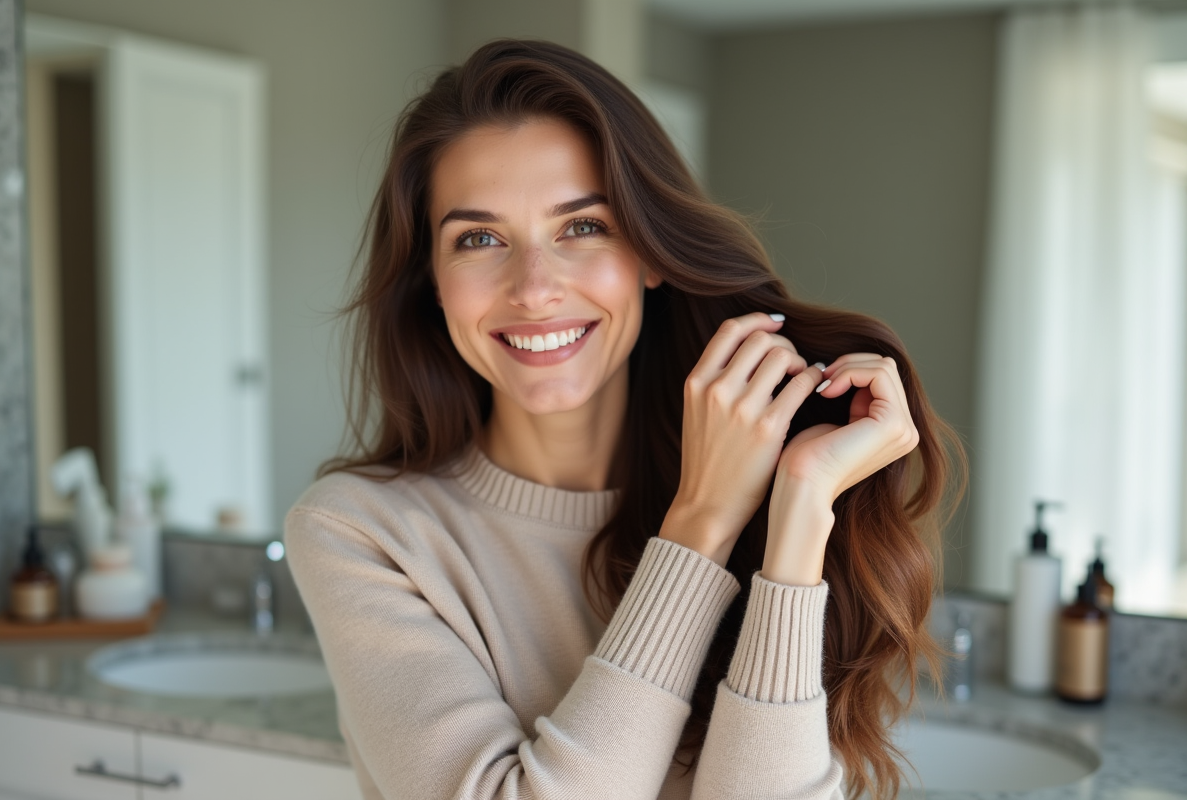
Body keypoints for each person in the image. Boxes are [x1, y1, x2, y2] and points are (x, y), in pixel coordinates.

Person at [284, 39, 964, 800]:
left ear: (650, 252)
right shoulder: (359, 534)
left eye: (582, 227)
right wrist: (700, 525)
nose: (535, 289)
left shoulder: (778, 500)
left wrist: (798, 513)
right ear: (432, 284)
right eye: (478, 239)